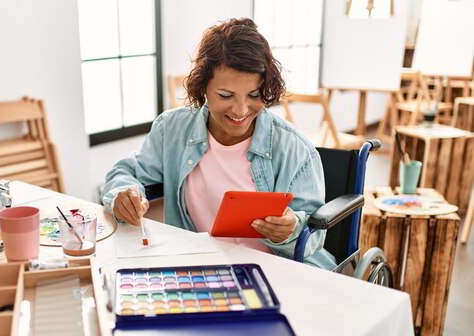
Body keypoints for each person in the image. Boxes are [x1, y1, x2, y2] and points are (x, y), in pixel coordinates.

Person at [101, 18, 335, 269]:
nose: (241, 110)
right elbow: (125, 172)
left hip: (274, 269)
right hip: (200, 267)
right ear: (203, 88)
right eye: (225, 95)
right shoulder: (172, 129)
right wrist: (122, 195)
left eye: (254, 95)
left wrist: (290, 230)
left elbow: (314, 233)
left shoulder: (295, 148)